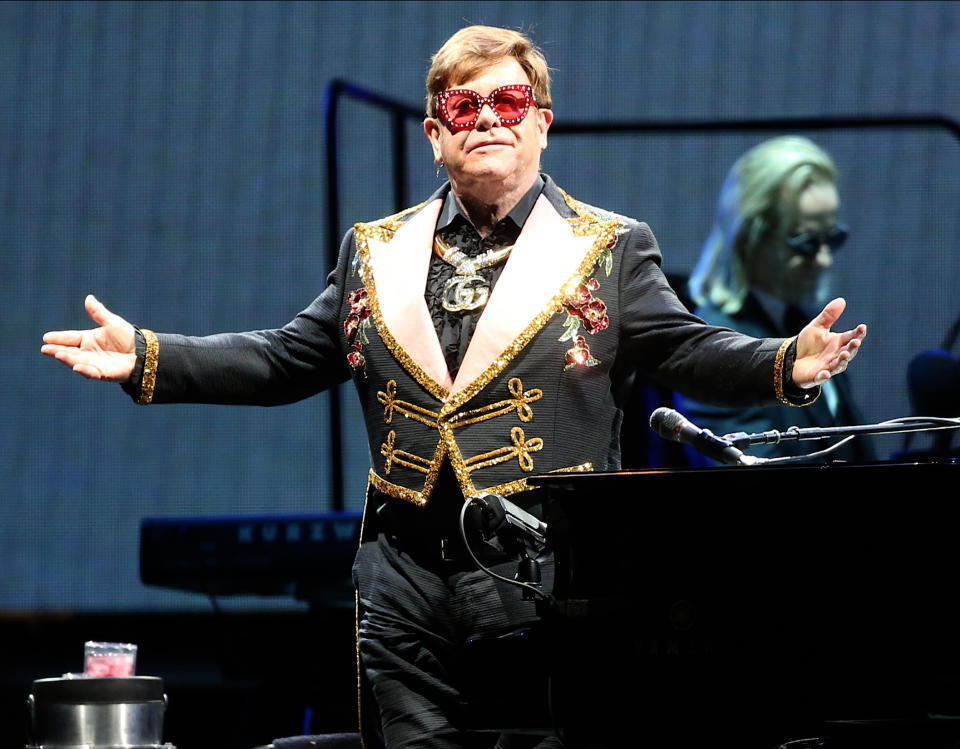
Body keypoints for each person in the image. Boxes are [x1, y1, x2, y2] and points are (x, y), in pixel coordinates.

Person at [41, 26, 867, 749]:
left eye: (509, 102)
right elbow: (286, 357)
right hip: (403, 571)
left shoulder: (606, 249)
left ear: (543, 122)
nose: (488, 122)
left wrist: (781, 361)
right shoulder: (376, 249)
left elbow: (685, 346)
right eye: (463, 108)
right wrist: (150, 355)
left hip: (537, 570)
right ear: (435, 132)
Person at [673, 135, 875, 465]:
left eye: (833, 238)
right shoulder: (716, 345)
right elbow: (754, 477)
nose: (824, 259)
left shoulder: (801, 319)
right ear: (751, 238)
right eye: (806, 243)